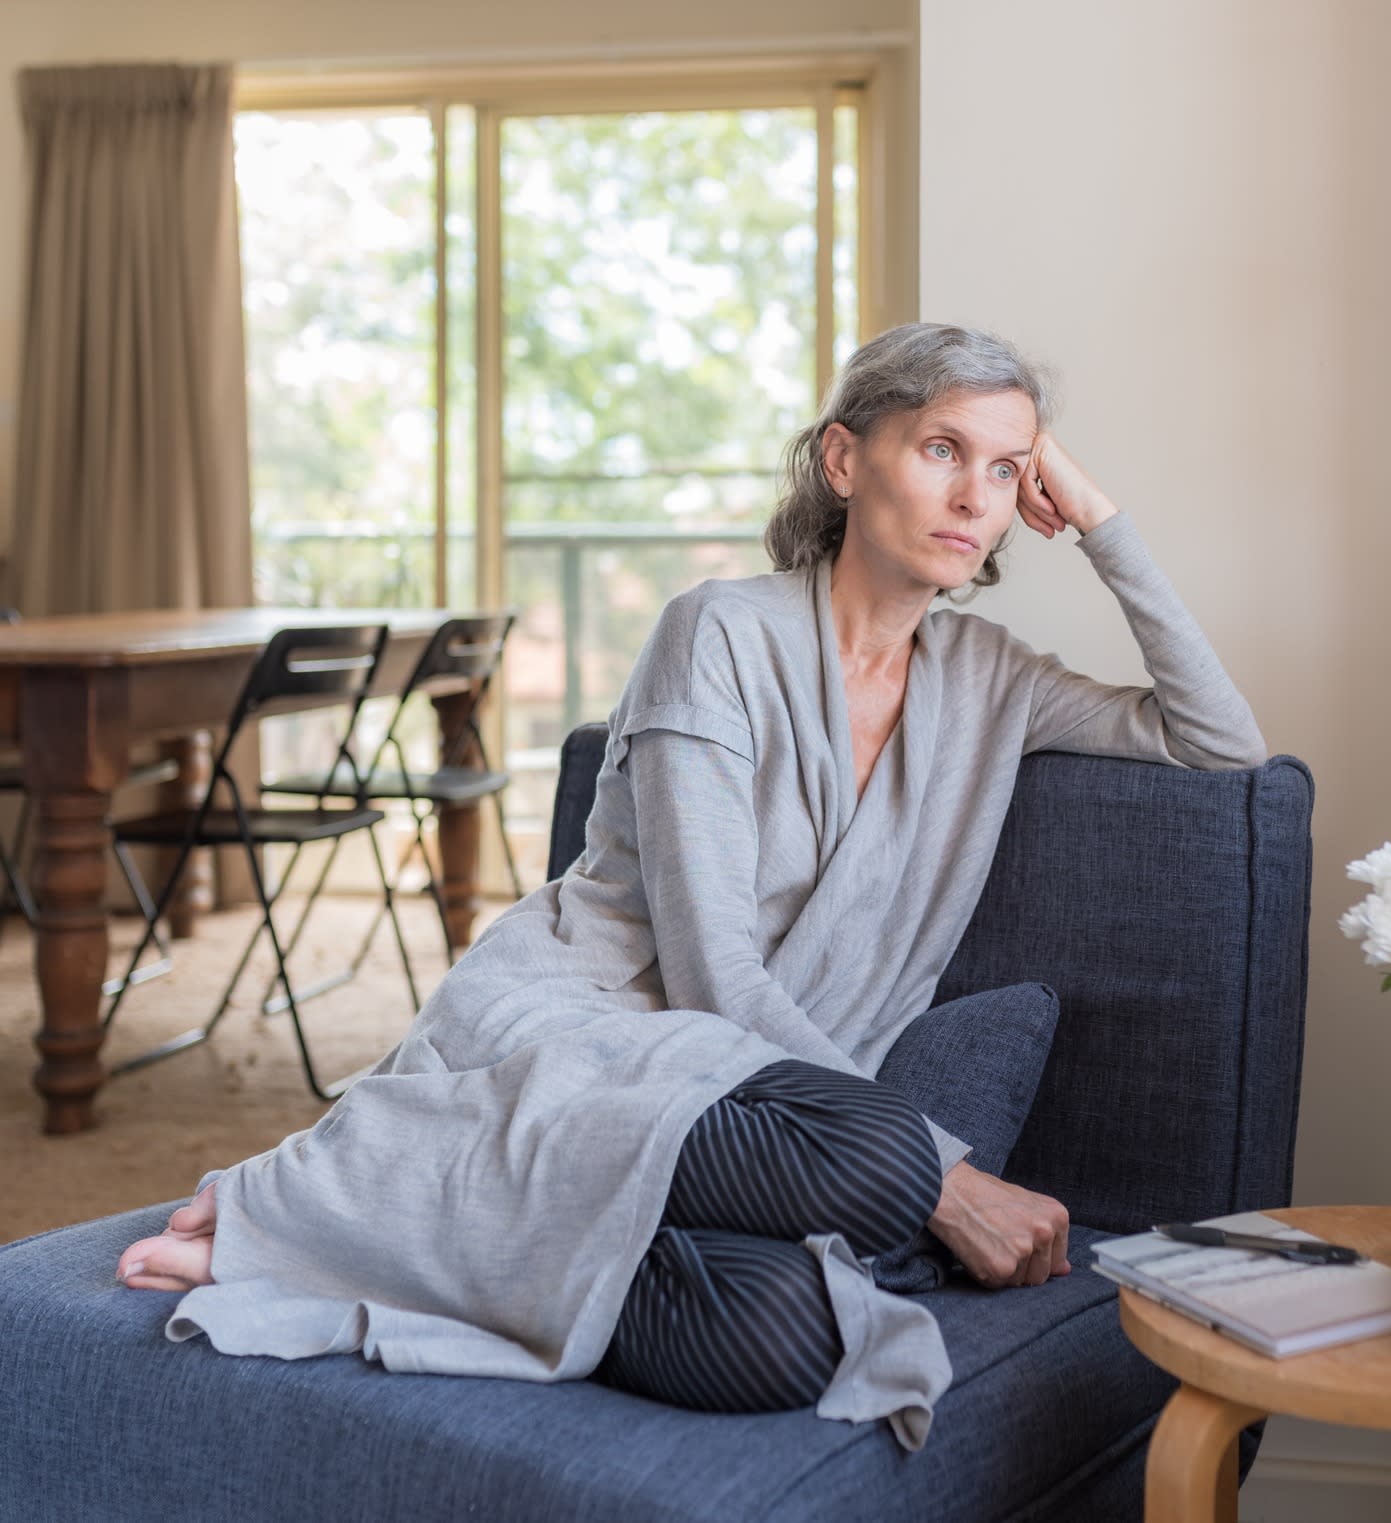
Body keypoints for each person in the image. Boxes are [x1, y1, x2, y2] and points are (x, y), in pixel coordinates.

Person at [114, 322, 1267, 1449]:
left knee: (787, 1332)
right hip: (592, 1037)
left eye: (1009, 470)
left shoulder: (994, 681)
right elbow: (712, 975)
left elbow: (1224, 741)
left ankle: (452, 1226)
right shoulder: (716, 632)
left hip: (769, 1098)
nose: (977, 496)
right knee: (880, 1165)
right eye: (942, 449)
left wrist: (1098, 515)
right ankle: (347, 1198)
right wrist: (942, 1173)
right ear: (842, 457)